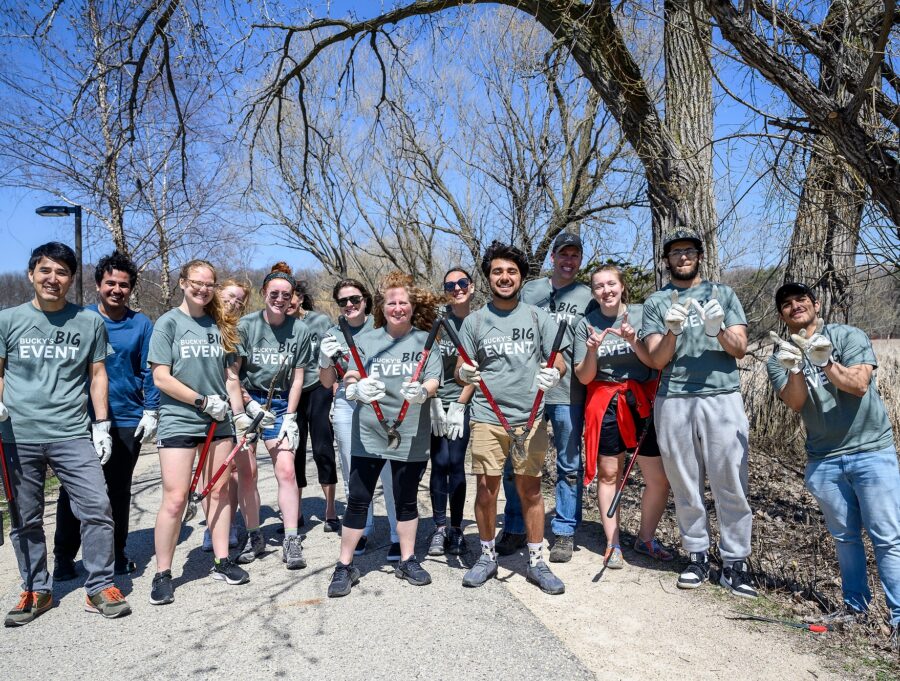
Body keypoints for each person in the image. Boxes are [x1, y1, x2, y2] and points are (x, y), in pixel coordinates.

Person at [2, 242, 131, 626]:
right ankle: (36, 589)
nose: (52, 279)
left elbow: (97, 375)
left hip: (72, 432)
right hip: (17, 434)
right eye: (45, 271)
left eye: (61, 272)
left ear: (71, 279)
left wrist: (102, 424)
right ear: (31, 274)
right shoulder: (8, 320)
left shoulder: (89, 322)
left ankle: (100, 586)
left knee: (97, 508)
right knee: (25, 517)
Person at [767, 282, 900, 644]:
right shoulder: (778, 353)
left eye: (801, 300)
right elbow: (795, 402)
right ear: (782, 314)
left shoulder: (847, 335)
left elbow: (858, 384)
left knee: (887, 538)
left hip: (872, 451)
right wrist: (795, 366)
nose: (795, 307)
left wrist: (824, 360)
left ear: (816, 304)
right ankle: (856, 609)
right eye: (787, 304)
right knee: (845, 538)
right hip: (824, 459)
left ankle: (899, 617)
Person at [641, 229, 755, 597]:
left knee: (730, 479)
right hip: (674, 398)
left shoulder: (723, 294)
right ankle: (696, 555)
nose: (682, 257)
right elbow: (657, 358)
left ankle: (736, 561)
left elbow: (739, 348)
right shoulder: (656, 302)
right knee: (684, 481)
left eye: (689, 250)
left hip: (722, 396)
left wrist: (717, 328)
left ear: (700, 256)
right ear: (667, 260)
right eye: (675, 253)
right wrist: (672, 331)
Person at [456, 241, 568, 595]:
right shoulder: (475, 321)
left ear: (521, 277)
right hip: (488, 416)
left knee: (530, 490)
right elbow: (461, 367)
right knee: (487, 489)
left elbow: (559, 359)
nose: (504, 277)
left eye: (511, 272)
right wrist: (465, 374)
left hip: (529, 416)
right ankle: (487, 555)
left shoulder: (538, 317)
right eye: (497, 272)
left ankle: (536, 560)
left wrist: (556, 374)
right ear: (488, 277)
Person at [327, 272, 443, 597]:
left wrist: (423, 391)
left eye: (403, 302)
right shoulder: (367, 340)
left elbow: (434, 378)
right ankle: (344, 565)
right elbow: (350, 374)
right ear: (382, 306)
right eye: (391, 302)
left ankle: (407, 560)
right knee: (359, 499)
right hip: (369, 433)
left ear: (411, 306)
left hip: (409, 433)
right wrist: (355, 387)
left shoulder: (425, 340)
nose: (397, 308)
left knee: (405, 499)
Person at [53, 250, 160, 580]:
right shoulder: (80, 319)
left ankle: (115, 551)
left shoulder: (141, 324)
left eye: (124, 285)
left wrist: (151, 410)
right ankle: (63, 556)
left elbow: (150, 370)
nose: (117, 289)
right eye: (110, 282)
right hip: (79, 420)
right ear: (98, 284)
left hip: (126, 419)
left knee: (117, 491)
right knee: (73, 490)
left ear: (131, 289)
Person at [148, 259, 248, 605]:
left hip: (218, 422)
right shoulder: (168, 324)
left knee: (218, 492)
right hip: (180, 419)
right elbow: (161, 377)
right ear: (182, 283)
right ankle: (163, 573)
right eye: (196, 282)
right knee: (175, 498)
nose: (202, 289)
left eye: (209, 284)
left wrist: (240, 416)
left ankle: (221, 559)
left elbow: (230, 377)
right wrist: (201, 401)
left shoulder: (221, 325)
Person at [574, 264, 672, 569]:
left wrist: (633, 340)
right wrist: (592, 351)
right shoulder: (585, 324)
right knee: (609, 474)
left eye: (611, 284)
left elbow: (655, 360)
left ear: (622, 286)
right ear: (593, 292)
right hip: (606, 402)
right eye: (599, 286)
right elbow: (585, 377)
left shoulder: (643, 314)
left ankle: (645, 539)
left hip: (642, 399)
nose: (607, 291)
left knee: (658, 478)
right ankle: (612, 543)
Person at [504, 232, 594, 563]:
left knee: (568, 462)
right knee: (519, 461)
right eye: (563, 255)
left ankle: (565, 531)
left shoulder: (587, 296)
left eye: (575, 256)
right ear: (552, 257)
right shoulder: (531, 291)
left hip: (569, 391)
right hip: (529, 392)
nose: (568, 261)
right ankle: (515, 526)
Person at [231, 263, 313, 570]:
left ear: (293, 297)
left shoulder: (300, 330)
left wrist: (290, 417)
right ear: (264, 293)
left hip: (280, 406)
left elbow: (298, 379)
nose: (280, 298)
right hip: (248, 402)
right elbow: (233, 375)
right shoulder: (246, 326)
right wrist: (246, 404)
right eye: (274, 292)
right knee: (246, 473)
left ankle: (291, 538)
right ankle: (254, 535)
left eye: (286, 294)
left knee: (287, 470)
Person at [318, 278, 401, 559]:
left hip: (382, 400)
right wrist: (325, 360)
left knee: (390, 468)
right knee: (352, 467)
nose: (349, 305)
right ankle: (362, 529)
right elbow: (326, 380)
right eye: (343, 302)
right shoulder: (332, 333)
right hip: (347, 402)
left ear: (365, 300)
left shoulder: (380, 327)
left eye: (355, 299)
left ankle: (396, 533)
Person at [426, 267, 475, 558]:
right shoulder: (437, 321)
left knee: (455, 462)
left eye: (462, 283)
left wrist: (460, 403)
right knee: (438, 462)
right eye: (450, 285)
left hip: (464, 401)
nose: (457, 288)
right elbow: (423, 361)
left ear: (471, 286)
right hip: (434, 401)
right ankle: (438, 528)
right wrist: (432, 400)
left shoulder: (479, 320)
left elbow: (473, 371)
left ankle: (456, 529)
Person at [200, 280, 250, 552]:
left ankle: (225, 523)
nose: (234, 303)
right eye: (230, 296)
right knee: (205, 473)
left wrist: (240, 413)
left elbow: (233, 376)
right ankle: (211, 525)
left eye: (240, 301)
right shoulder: (195, 321)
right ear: (218, 294)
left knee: (226, 472)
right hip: (193, 406)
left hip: (224, 408)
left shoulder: (232, 331)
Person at [291, 280, 339, 532]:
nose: (287, 302)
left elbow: (335, 354)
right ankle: (295, 510)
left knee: (322, 448)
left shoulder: (319, 322)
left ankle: (330, 510)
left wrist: (336, 385)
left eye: (292, 297)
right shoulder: (278, 324)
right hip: (291, 393)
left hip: (318, 389)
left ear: (300, 298)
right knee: (294, 450)